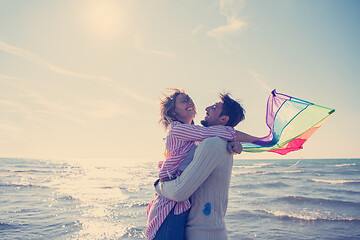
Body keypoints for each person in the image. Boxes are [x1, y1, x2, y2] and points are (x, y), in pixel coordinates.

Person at [146, 89, 258, 240]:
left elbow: (218, 134)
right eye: (184, 100)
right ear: (173, 112)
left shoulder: (199, 140)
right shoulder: (178, 130)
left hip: (179, 206)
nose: (190, 102)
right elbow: (220, 132)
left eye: (189, 99)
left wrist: (234, 143)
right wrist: (260, 140)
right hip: (168, 206)